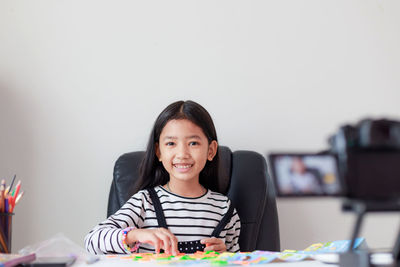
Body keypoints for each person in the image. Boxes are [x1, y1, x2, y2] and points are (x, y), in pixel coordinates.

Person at [84, 100, 241, 255]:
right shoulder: (145, 202)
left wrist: (226, 255)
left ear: (211, 150)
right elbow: (92, 241)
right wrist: (136, 235)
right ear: (158, 152)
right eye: (171, 143)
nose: (182, 154)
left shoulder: (224, 208)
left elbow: (240, 260)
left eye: (193, 143)